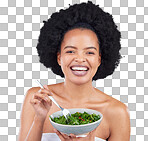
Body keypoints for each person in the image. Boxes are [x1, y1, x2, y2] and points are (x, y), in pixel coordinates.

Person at [18, 1, 130, 141]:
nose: (80, 59)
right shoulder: (37, 99)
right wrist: (39, 118)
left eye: (89, 52)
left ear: (100, 59)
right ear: (59, 57)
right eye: (70, 51)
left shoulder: (117, 112)